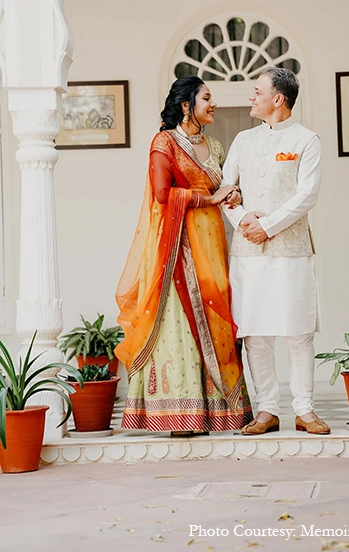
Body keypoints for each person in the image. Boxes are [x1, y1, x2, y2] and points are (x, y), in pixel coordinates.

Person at [115, 75, 253, 435]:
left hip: (213, 246)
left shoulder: (215, 146)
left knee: (217, 318)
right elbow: (163, 194)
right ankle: (182, 413)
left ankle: (221, 412)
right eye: (207, 97)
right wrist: (209, 198)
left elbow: (225, 188)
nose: (214, 103)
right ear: (185, 105)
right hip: (176, 247)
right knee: (179, 323)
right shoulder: (164, 142)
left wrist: (233, 195)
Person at [222, 67, 330, 435]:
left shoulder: (306, 140)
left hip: (291, 249)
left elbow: (307, 195)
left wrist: (267, 226)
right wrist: (243, 219)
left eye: (257, 91)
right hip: (247, 251)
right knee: (255, 333)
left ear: (278, 99)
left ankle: (305, 410)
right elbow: (226, 189)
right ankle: (267, 410)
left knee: (298, 331)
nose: (251, 97)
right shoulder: (243, 140)